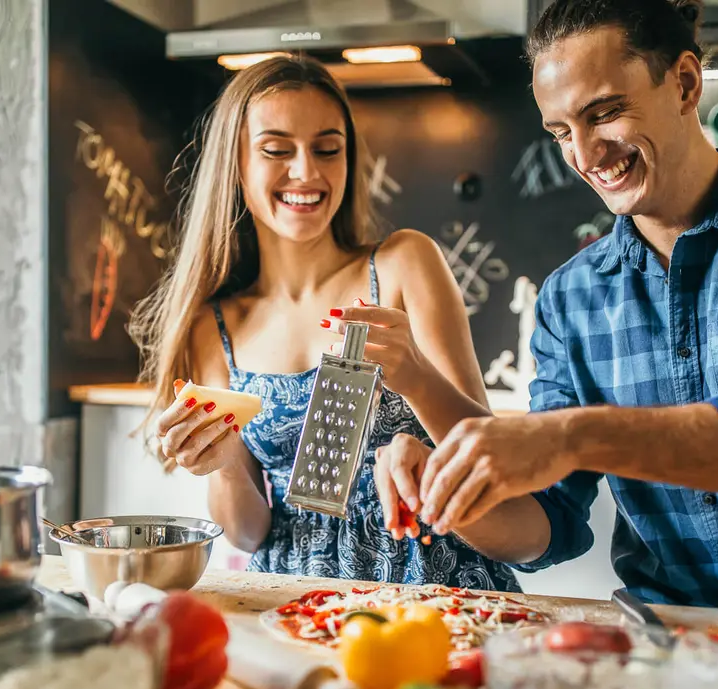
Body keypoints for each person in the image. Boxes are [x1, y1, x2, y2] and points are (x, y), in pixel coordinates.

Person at [374, 0, 718, 622]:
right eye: (561, 132)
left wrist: (573, 436)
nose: (585, 155)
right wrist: (454, 494)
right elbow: (546, 527)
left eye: (604, 113)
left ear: (685, 83)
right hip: (673, 651)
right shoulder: (571, 299)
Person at [127, 54, 519, 592]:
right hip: (294, 597)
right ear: (235, 164)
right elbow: (246, 533)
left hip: (433, 581)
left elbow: (485, 447)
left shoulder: (404, 264)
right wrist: (219, 466)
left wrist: (426, 435)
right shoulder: (213, 326)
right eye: (276, 150)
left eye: (327, 149)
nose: (307, 172)